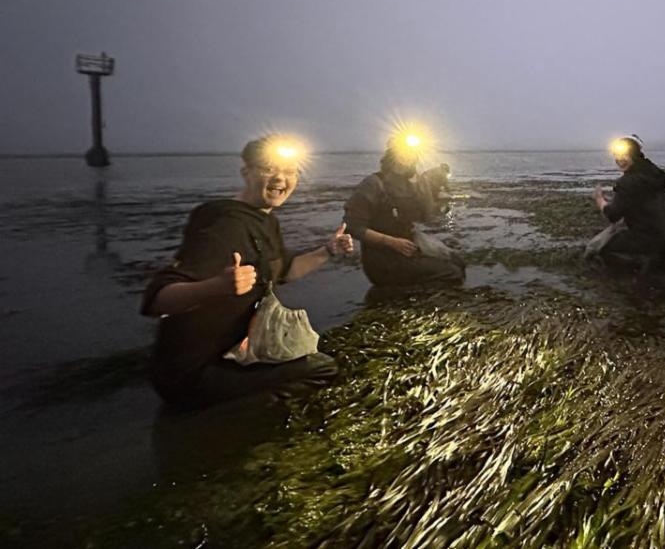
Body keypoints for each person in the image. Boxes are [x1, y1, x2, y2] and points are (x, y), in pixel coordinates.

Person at [141, 135, 354, 407]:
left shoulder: (265, 220)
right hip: (195, 374)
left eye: (289, 171)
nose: (280, 179)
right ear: (246, 173)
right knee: (322, 368)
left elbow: (284, 272)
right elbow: (156, 300)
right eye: (268, 169)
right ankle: (233, 423)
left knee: (316, 354)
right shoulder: (224, 225)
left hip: (234, 354)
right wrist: (216, 286)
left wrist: (327, 251)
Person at [343, 136, 465, 288]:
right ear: (392, 154)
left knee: (458, 261)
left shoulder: (414, 184)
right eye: (402, 151)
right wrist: (392, 242)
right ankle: (407, 303)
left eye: (411, 152)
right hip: (382, 260)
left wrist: (428, 193)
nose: (407, 156)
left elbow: (427, 217)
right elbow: (352, 226)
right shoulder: (374, 183)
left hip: (409, 250)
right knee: (452, 273)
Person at [589, 136, 665, 271]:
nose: (620, 159)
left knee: (595, 248)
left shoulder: (628, 181)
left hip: (647, 238)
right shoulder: (654, 173)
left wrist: (599, 199)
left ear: (634, 155)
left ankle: (636, 270)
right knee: (618, 232)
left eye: (625, 155)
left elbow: (613, 215)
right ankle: (657, 259)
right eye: (617, 155)